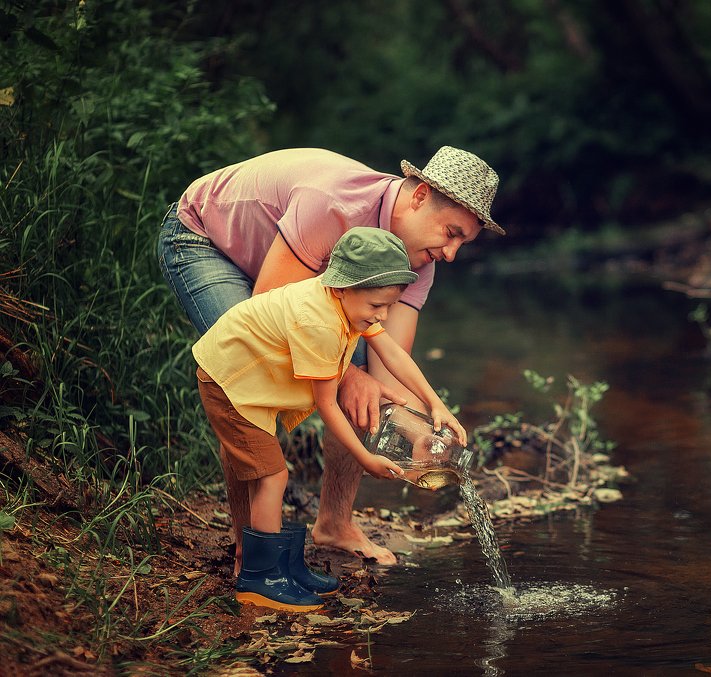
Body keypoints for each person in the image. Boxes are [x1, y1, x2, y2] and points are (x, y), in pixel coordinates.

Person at [158, 146, 503, 567]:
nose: (451, 254)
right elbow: (272, 312)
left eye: (463, 243)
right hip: (208, 239)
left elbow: (387, 373)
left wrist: (423, 431)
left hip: (296, 283)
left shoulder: (419, 262)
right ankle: (250, 549)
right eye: (451, 233)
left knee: (361, 384)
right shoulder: (336, 204)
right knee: (246, 378)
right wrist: (349, 376)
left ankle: (335, 525)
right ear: (419, 196)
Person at [194, 228, 468, 612]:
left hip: (253, 380)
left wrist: (435, 404)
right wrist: (365, 458)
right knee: (272, 475)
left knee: (270, 472)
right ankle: (260, 578)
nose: (382, 315)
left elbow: (392, 353)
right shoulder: (319, 321)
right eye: (377, 306)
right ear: (343, 288)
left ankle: (286, 565)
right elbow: (328, 405)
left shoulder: (352, 301)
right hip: (230, 383)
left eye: (389, 306)